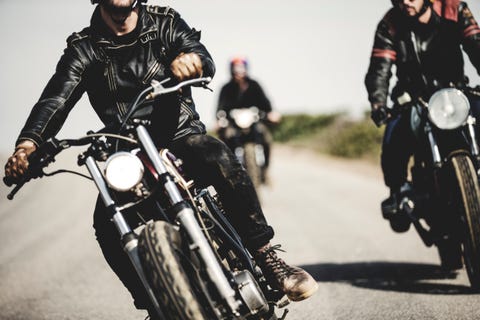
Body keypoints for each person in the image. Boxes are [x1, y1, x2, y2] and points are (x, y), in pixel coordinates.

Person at [3, 0, 317, 317]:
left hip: (179, 135)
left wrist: (191, 60)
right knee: (106, 222)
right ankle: (155, 303)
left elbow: (199, 53)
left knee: (219, 155)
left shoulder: (163, 23)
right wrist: (27, 146)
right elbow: (56, 98)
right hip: (126, 149)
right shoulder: (83, 48)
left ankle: (266, 256)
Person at [365, 0, 480, 227]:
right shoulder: (390, 24)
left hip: (456, 93)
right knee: (393, 136)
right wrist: (378, 103)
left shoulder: (454, 9)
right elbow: (380, 68)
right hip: (414, 97)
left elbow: (476, 45)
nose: (405, 1)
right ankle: (398, 193)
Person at [217, 57, 281, 183]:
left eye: (241, 69)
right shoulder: (226, 88)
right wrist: (219, 120)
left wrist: (271, 114)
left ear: (246, 69)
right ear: (231, 70)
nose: (239, 72)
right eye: (236, 69)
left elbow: (266, 104)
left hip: (253, 123)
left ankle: (266, 170)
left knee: (266, 139)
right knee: (225, 141)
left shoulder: (254, 85)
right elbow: (219, 108)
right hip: (233, 124)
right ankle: (228, 174)